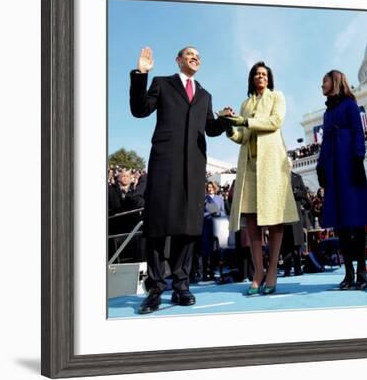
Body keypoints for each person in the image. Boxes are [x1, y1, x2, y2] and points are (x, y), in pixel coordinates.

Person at [130, 46, 227, 313]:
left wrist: (224, 121)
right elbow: (140, 109)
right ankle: (156, 288)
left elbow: (210, 128)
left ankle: (182, 286)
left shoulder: (205, 95)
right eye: (190, 54)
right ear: (178, 60)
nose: (196, 57)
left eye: (199, 55)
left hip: (194, 167)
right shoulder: (162, 84)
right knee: (158, 226)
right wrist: (141, 73)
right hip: (165, 162)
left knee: (188, 226)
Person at [221, 61, 299, 295]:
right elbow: (243, 136)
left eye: (264, 74)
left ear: (269, 78)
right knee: (252, 221)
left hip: (272, 164)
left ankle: (273, 270)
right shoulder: (245, 104)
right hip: (250, 165)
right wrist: (229, 127)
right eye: (257, 74)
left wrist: (245, 122)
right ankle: (258, 271)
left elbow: (275, 122)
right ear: (251, 79)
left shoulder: (277, 97)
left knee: (274, 219)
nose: (260, 76)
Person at [316, 70, 367, 290]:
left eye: (325, 80)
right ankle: (348, 272)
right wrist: (320, 165)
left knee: (356, 221)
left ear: (336, 82)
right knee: (340, 223)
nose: (322, 84)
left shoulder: (350, 104)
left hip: (349, 164)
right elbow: (323, 142)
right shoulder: (327, 112)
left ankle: (362, 273)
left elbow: (359, 132)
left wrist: (358, 157)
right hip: (332, 166)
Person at [282, 169, 311, 277]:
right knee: (285, 244)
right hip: (283, 215)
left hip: (296, 214)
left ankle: (298, 269)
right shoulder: (279, 176)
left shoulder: (297, 177)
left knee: (296, 244)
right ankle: (287, 269)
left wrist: (296, 192)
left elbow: (304, 193)